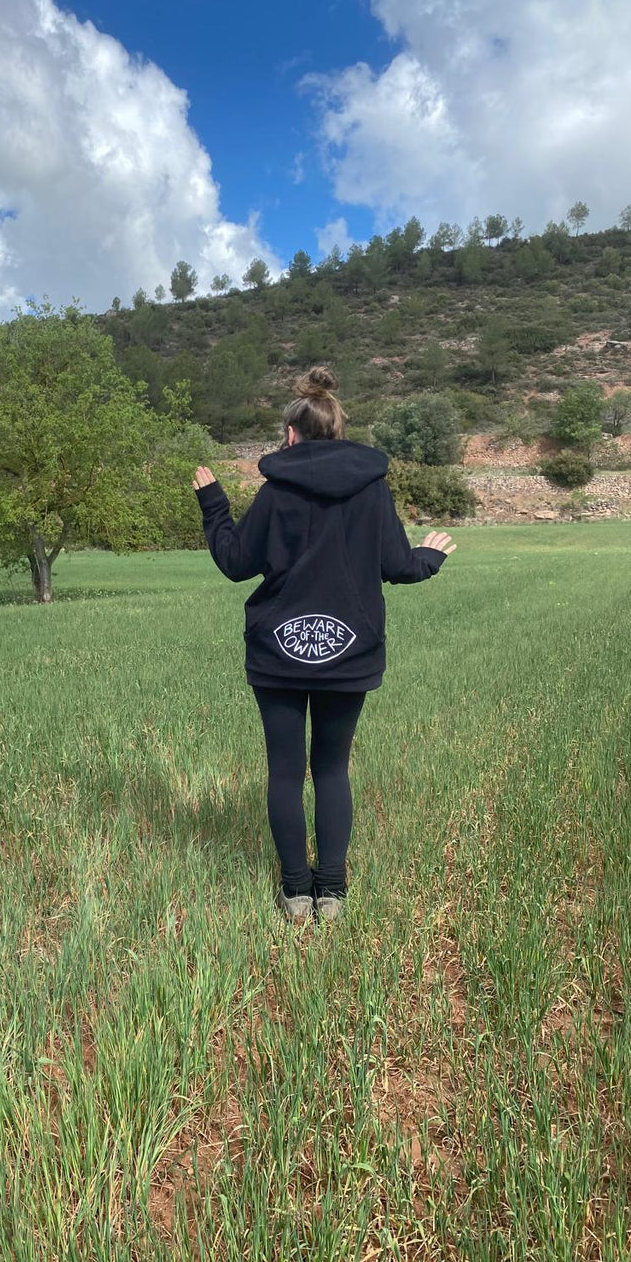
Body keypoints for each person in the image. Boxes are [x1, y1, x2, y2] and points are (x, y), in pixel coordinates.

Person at [192, 366, 457, 924]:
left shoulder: (277, 490)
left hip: (278, 654)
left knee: (285, 773)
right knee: (332, 770)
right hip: (350, 652)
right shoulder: (371, 488)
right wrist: (431, 557)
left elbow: (236, 563)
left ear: (291, 435)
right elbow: (398, 566)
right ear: (337, 431)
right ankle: (330, 892)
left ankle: (295, 892)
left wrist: (213, 503)